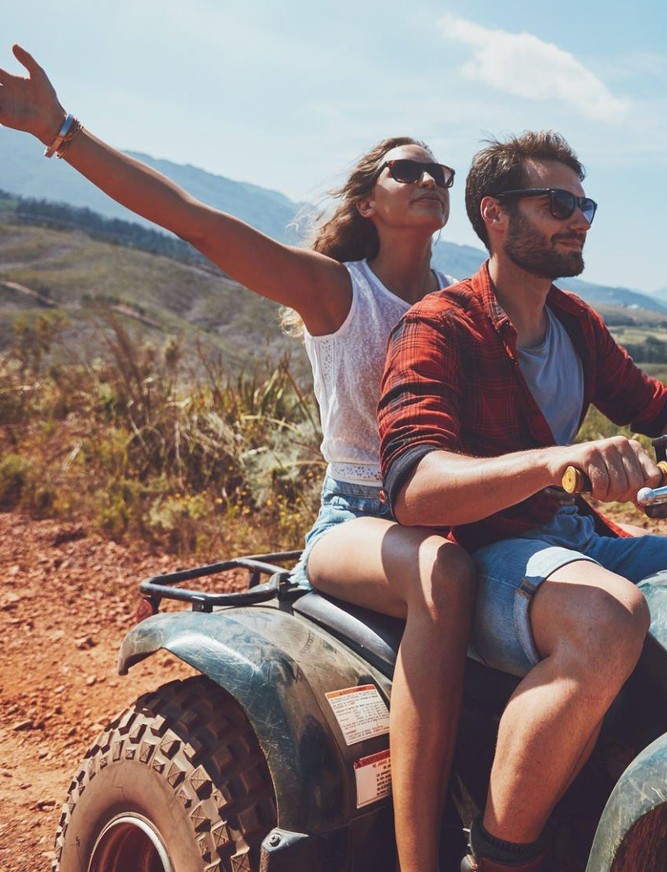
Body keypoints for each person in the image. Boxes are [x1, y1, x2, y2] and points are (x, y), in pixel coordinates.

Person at [0, 44, 474, 872]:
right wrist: (60, 130)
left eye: (443, 171)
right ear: (369, 200)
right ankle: (418, 854)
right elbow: (199, 222)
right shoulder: (338, 291)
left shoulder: (460, 304)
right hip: (363, 517)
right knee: (443, 576)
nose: (432, 178)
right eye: (409, 170)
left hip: (452, 505)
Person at [378, 131, 667, 872]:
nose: (579, 218)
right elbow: (415, 488)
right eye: (558, 203)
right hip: (485, 547)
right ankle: (499, 857)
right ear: (494, 213)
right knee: (607, 616)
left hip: (573, 538)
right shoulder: (439, 325)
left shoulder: (575, 325)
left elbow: (661, 408)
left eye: (585, 205)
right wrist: (556, 461)